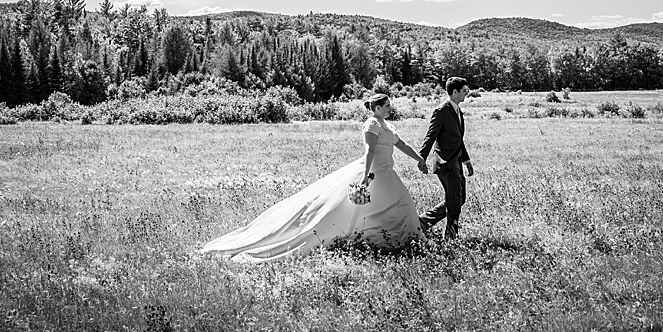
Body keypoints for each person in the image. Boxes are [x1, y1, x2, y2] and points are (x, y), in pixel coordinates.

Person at [199, 93, 426, 263]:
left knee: (403, 203)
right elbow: (369, 151)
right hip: (374, 172)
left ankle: (405, 241)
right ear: (376, 108)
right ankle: (375, 239)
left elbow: (401, 144)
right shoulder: (372, 124)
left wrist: (419, 159)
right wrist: (365, 177)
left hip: (389, 174)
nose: (389, 109)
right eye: (386, 106)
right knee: (349, 211)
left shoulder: (389, 125)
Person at [418, 76, 474, 239]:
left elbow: (458, 139)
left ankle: (423, 221)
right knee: (455, 200)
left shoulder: (457, 110)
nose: (467, 94)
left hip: (456, 161)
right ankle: (450, 237)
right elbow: (431, 136)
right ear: (454, 91)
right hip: (445, 163)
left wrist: (466, 159)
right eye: (464, 91)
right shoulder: (441, 110)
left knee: (459, 199)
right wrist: (421, 158)